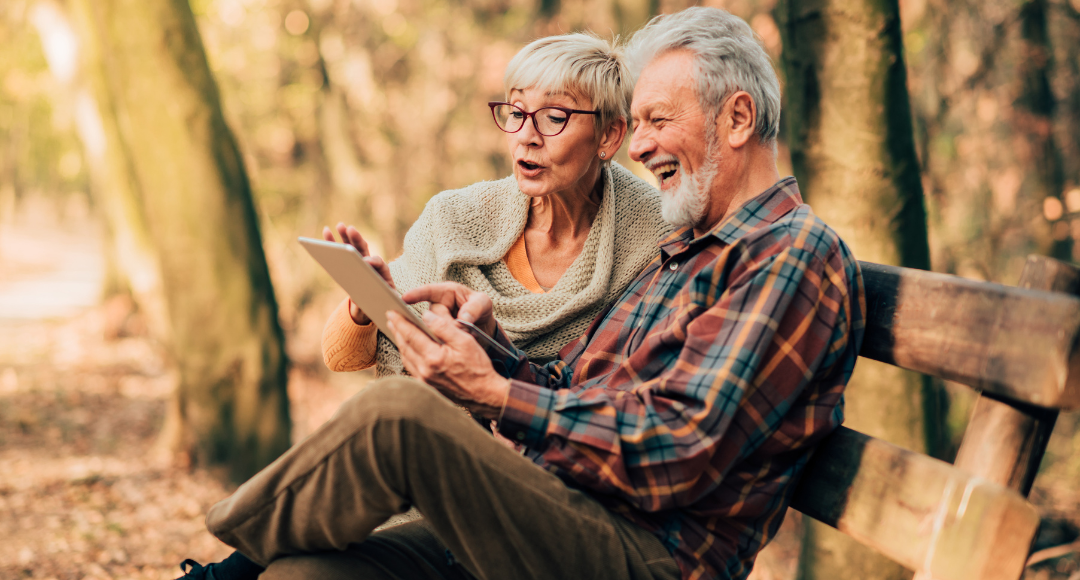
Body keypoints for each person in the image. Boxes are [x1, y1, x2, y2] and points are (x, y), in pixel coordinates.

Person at [177, 7, 866, 580]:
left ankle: (211, 574)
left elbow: (678, 450)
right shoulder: (687, 249)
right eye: (643, 123)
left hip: (648, 557)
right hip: (562, 514)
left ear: (737, 119)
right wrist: (485, 350)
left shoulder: (788, 257)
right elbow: (575, 387)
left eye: (658, 121)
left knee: (398, 416)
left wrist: (496, 394)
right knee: (306, 575)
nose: (642, 145)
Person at [319, 32, 670, 379]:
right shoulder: (454, 218)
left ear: (609, 135)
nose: (526, 136)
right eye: (516, 112)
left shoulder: (658, 237)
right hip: (423, 422)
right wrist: (367, 301)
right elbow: (341, 358)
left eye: (553, 116)